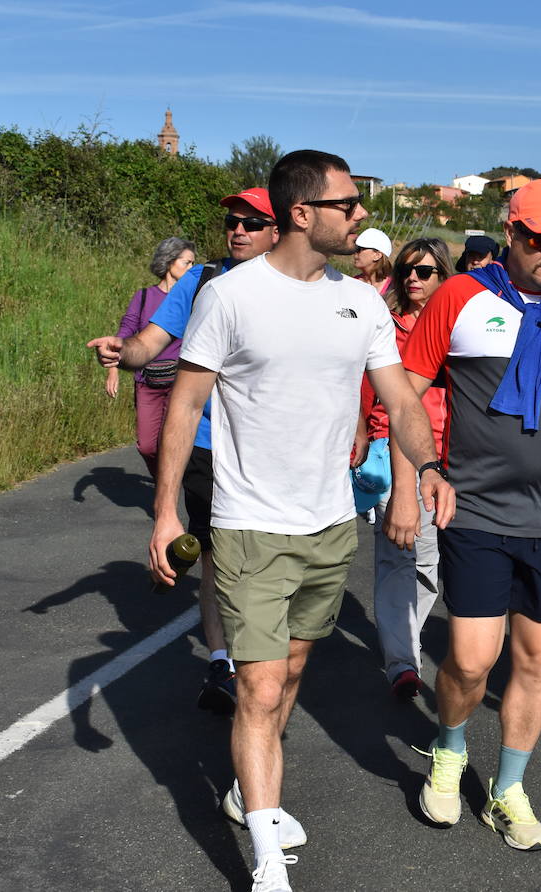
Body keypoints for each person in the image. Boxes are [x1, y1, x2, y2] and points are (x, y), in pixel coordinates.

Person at [150, 149, 453, 892]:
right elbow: (185, 404)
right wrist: (163, 512)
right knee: (256, 691)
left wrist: (430, 465)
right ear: (301, 213)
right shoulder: (231, 296)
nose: (360, 215)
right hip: (249, 522)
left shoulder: (361, 301)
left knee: (287, 677)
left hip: (329, 525)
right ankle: (265, 863)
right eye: (348, 204)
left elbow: (402, 400)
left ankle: (249, 793)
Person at [397, 178, 541, 851]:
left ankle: (508, 789)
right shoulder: (461, 297)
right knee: (470, 662)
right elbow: (406, 392)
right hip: (474, 511)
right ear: (512, 233)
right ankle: (449, 749)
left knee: (537, 659)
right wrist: (414, 480)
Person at [88, 188, 279, 716]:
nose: (236, 230)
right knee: (219, 555)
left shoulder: (294, 287)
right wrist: (120, 353)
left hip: (269, 450)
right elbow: (148, 343)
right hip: (207, 444)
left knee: (262, 561)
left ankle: (257, 654)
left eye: (250, 222)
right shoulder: (202, 280)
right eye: (231, 221)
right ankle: (222, 660)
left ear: (278, 229)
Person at [362, 237, 454, 701]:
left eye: (425, 272)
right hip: (392, 448)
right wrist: (360, 429)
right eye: (407, 271)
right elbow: (363, 384)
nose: (413, 279)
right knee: (396, 555)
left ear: (444, 275)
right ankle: (403, 661)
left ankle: (407, 639)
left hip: (450, 456)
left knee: (428, 563)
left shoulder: (460, 328)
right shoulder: (385, 323)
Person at [104, 236, 196, 478]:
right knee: (146, 446)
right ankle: (164, 483)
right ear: (169, 262)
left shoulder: (192, 299)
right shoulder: (143, 297)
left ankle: (169, 491)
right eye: (186, 263)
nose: (191, 269)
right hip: (147, 381)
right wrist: (113, 369)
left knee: (170, 442)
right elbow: (125, 333)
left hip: (179, 382)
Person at [352, 227, 393, 294]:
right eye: (356, 248)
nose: (355, 252)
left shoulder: (394, 287)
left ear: (377, 255)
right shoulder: (352, 283)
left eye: (360, 249)